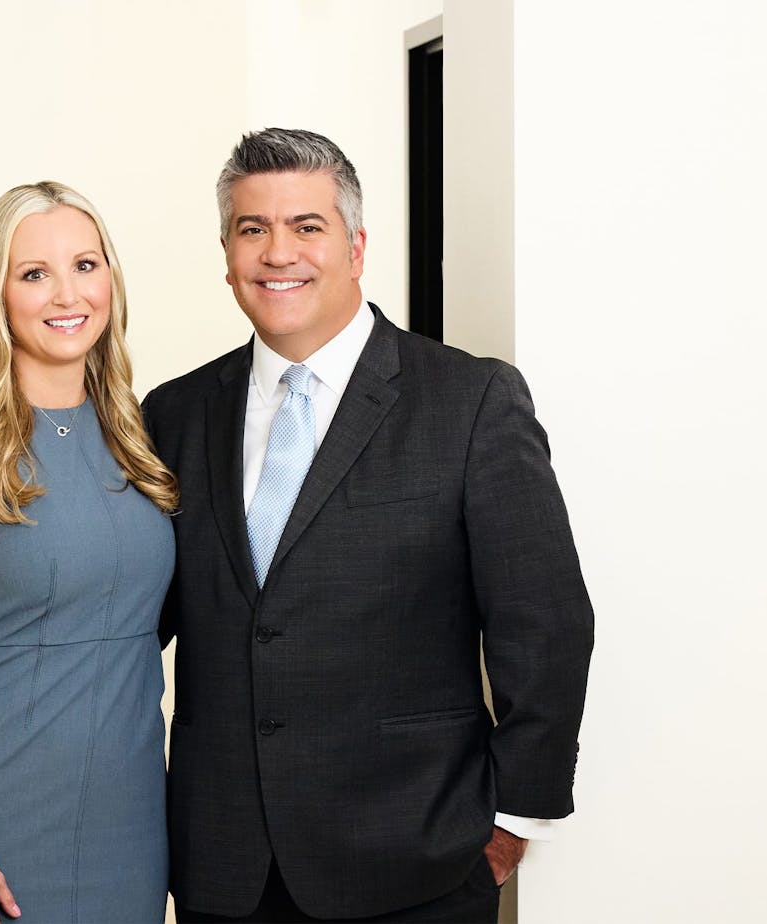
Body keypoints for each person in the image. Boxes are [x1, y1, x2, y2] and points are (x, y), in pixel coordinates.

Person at [139, 128, 594, 922]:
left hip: (416, 864)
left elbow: (544, 622)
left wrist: (515, 818)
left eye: (306, 227)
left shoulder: (470, 402)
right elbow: (136, 606)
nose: (279, 253)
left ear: (355, 246)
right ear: (227, 253)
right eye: (254, 229)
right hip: (225, 869)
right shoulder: (173, 414)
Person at [0, 181, 178, 923]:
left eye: (85, 265)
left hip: (130, 805)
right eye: (34, 274)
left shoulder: (138, 437)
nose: (65, 294)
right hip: (2, 809)